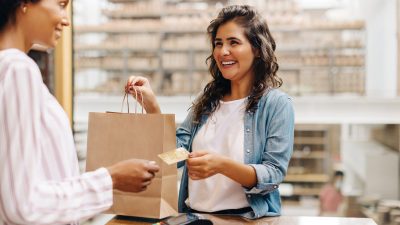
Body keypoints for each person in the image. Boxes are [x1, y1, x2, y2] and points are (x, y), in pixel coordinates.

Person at [126, 5, 294, 219]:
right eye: (218, 43)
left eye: (233, 42)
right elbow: (173, 156)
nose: (223, 51)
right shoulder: (207, 101)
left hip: (244, 220)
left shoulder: (277, 105)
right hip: (193, 218)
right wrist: (152, 107)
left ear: (257, 49)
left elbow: (273, 174)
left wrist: (221, 165)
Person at [0, 0, 160, 224]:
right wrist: (111, 178)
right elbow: (23, 206)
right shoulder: (18, 68)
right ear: (25, 3)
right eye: (61, 4)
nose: (66, 20)